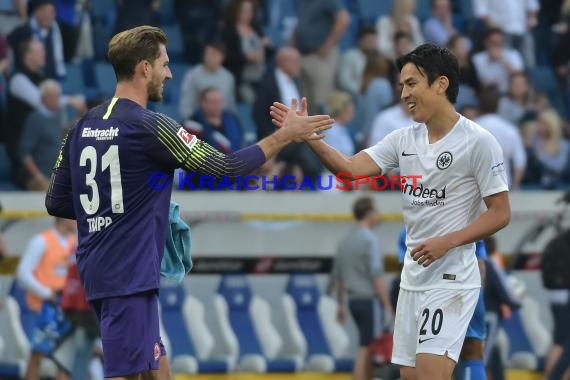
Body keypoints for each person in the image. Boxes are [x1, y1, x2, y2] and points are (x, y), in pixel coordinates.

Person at [44, 25, 334, 380]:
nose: (169, 72)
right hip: (128, 273)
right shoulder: (153, 127)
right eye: (164, 64)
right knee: (126, 373)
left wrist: (113, 213)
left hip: (103, 268)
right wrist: (285, 135)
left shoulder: (80, 126)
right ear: (144, 69)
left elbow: (56, 201)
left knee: (155, 367)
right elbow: (226, 168)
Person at [270, 43, 511, 380]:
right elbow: (350, 170)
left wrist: (449, 242)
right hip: (412, 280)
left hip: (452, 278)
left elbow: (500, 213)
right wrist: (308, 135)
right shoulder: (402, 140)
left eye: (412, 83)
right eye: (401, 86)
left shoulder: (478, 141)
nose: (404, 93)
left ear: (441, 84)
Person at [398, 226, 489, 380]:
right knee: (471, 348)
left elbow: (406, 268)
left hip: (426, 291)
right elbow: (480, 263)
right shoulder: (465, 221)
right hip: (464, 284)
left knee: (425, 359)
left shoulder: (410, 228)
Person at [331, 196, 394, 380]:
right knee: (366, 347)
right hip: (368, 300)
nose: (378, 215)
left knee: (365, 344)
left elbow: (338, 276)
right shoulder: (369, 239)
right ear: (368, 213)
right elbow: (376, 275)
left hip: (352, 300)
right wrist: (387, 304)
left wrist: (340, 305)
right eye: (376, 211)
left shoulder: (345, 240)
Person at [16, 217, 77, 380]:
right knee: (38, 354)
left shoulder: (75, 242)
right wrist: (45, 292)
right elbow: (22, 273)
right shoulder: (41, 241)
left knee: (65, 360)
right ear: (62, 218)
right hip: (44, 307)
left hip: (67, 308)